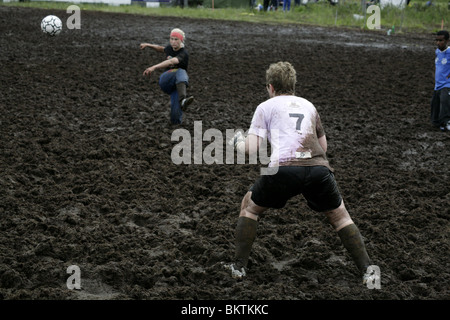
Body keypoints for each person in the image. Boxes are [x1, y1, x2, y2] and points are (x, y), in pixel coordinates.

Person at [225, 61, 375, 285]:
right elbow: (323, 147)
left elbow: (252, 148)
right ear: (293, 85)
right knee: (341, 217)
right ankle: (369, 272)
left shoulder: (266, 107)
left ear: (271, 87)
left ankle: (238, 268)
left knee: (250, 207)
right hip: (318, 169)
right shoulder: (309, 106)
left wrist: (236, 142)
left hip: (284, 169)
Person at [140, 28, 194, 125]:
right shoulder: (169, 48)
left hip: (177, 85)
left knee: (176, 116)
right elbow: (160, 48)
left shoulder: (183, 53)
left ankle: (176, 124)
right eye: (171, 39)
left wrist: (153, 67)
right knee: (180, 71)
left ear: (181, 40)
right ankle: (182, 100)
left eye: (176, 39)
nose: (173, 42)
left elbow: (172, 61)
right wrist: (148, 45)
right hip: (166, 80)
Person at [430, 30, 450, 132]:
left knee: (445, 102)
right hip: (438, 84)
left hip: (447, 84)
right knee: (435, 104)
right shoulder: (437, 52)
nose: (438, 43)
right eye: (437, 40)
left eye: (441, 40)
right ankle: (437, 122)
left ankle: (446, 122)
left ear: (447, 41)